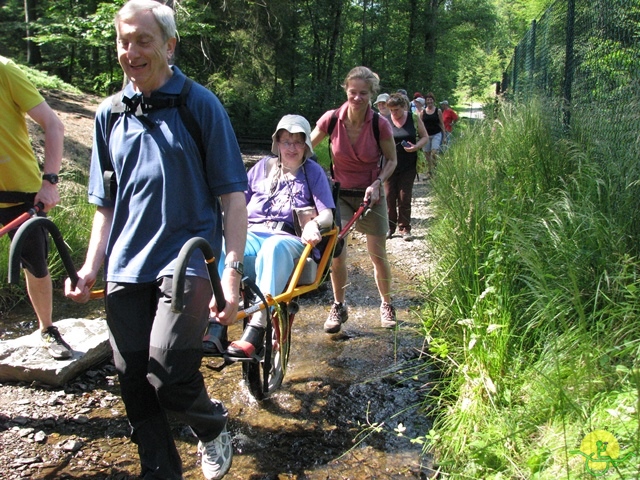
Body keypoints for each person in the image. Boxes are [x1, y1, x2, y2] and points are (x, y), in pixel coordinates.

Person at [64, 1, 247, 479]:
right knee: (132, 380)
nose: (131, 51)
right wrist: (90, 268)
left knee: (167, 373)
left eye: (143, 41)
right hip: (126, 266)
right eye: (124, 41)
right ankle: (160, 469)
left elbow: (232, 197)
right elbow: (106, 205)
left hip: (187, 260)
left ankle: (211, 426)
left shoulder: (199, 105)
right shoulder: (108, 115)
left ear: (169, 45)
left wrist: (230, 273)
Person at [206, 115, 335, 358]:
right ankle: (216, 323)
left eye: (298, 142)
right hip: (253, 232)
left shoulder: (313, 172)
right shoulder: (261, 167)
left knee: (273, 247)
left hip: (289, 239)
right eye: (286, 141)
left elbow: (327, 214)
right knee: (222, 244)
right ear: (277, 143)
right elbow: (235, 205)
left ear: (307, 144)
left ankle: (258, 324)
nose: (291, 148)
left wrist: (314, 224)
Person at [311, 66, 398, 332]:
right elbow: (305, 148)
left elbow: (392, 160)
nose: (357, 98)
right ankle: (339, 306)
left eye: (363, 93)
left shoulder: (379, 124)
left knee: (377, 254)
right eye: (352, 92)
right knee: (337, 254)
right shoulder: (332, 119)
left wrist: (377, 183)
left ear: (372, 95)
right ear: (346, 91)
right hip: (340, 194)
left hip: (372, 195)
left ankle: (386, 304)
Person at [0, 55, 70, 360]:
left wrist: (50, 181)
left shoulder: (4, 70)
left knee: (36, 265)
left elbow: (53, 124)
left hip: (22, 196)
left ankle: (46, 328)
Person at [384, 93, 428, 241]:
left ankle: (405, 228)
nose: (394, 113)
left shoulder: (413, 118)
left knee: (404, 196)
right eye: (391, 110)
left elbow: (425, 137)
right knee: (389, 196)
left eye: (396, 109)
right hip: (389, 164)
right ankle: (389, 227)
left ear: (403, 107)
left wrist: (416, 147)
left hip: (408, 163)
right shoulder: (384, 120)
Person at [421, 92, 446, 178]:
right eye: (428, 100)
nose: (429, 101)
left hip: (436, 134)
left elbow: (442, 124)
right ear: (425, 101)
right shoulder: (423, 112)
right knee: (427, 154)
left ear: (433, 100)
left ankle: (435, 169)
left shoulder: (438, 111)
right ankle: (429, 171)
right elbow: (420, 125)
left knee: (434, 153)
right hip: (426, 135)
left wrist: (444, 136)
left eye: (431, 99)